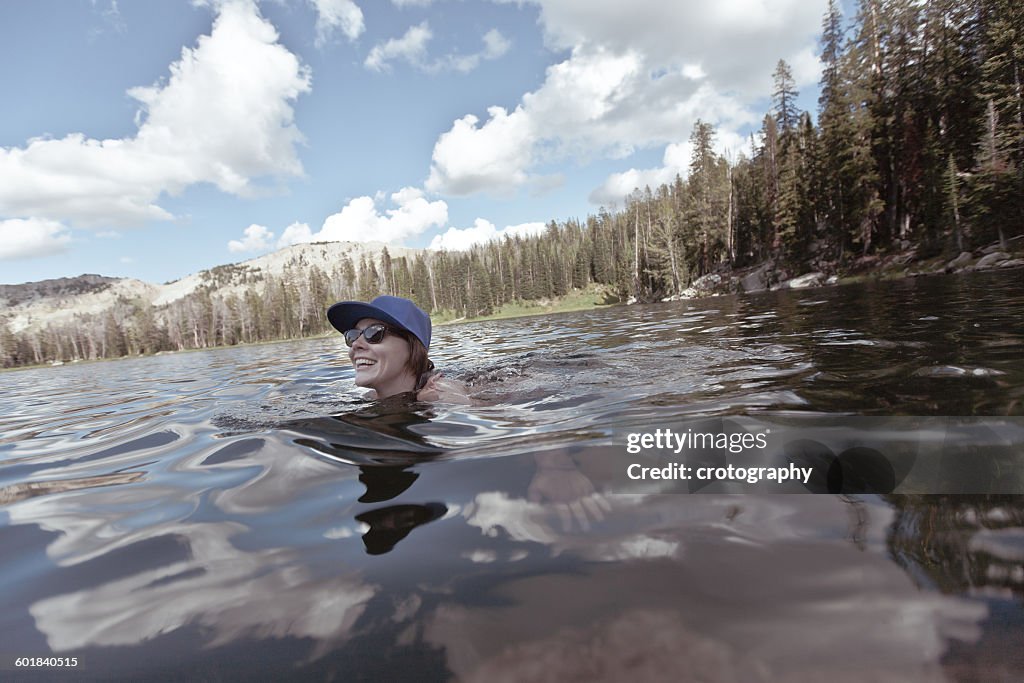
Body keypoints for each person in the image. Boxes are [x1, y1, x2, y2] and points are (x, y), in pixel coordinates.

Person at [327, 295, 472, 403]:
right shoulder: (364, 397)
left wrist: (448, 401)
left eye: (374, 333)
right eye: (352, 335)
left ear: (412, 347)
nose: (355, 344)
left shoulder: (441, 390)